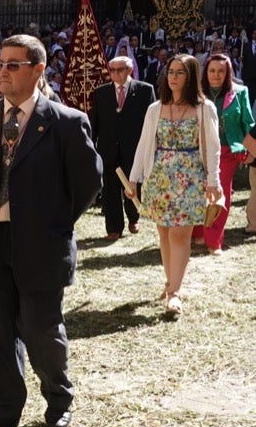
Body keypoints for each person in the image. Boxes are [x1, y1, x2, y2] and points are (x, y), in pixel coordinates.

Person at [0, 34, 102, 427]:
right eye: (1, 63)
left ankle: (59, 398)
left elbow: (88, 181)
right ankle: (4, 408)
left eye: (14, 64)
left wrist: (54, 223)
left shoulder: (66, 123)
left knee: (40, 328)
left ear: (38, 70)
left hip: (41, 245)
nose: (3, 71)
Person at [128, 54, 222, 316]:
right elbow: (145, 144)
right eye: (171, 72)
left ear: (191, 76)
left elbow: (213, 148)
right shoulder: (155, 108)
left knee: (180, 233)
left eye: (180, 72)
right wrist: (135, 178)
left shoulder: (205, 109)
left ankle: (175, 293)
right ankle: (171, 281)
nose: (173, 77)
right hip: (159, 177)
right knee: (164, 233)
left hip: (190, 178)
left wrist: (213, 181)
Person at [91, 55, 156, 240]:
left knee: (133, 184)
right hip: (108, 149)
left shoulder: (145, 90)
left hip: (134, 148)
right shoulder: (101, 93)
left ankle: (134, 217)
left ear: (129, 70)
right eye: (112, 70)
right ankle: (113, 227)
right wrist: (92, 147)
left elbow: (151, 123)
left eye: (120, 69)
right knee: (110, 189)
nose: (115, 73)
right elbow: (95, 122)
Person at [200, 52, 253, 253]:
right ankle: (198, 233)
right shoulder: (196, 92)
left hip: (228, 151)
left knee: (220, 193)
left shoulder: (240, 92)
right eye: (212, 70)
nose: (216, 75)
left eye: (221, 71)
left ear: (228, 72)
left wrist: (251, 150)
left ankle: (214, 241)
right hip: (199, 150)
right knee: (198, 191)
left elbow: (248, 122)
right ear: (206, 72)